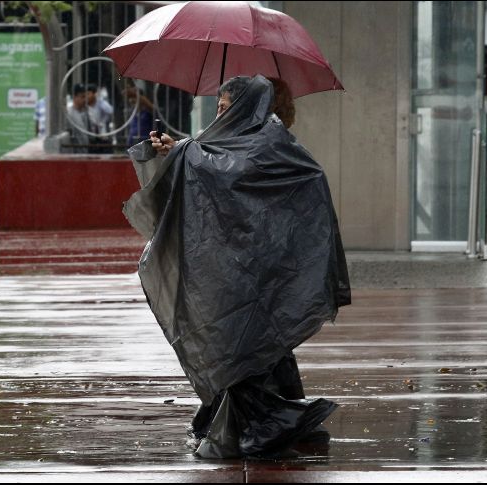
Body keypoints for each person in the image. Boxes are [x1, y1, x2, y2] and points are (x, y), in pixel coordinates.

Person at [130, 75, 350, 459]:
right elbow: (214, 165)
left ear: (248, 109)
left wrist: (183, 151)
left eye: (226, 109)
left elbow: (230, 171)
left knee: (243, 344)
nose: (220, 115)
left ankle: (275, 419)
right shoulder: (238, 141)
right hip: (236, 266)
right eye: (218, 108)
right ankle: (287, 415)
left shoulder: (269, 140)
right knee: (256, 343)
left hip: (260, 268)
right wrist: (177, 150)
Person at [86, 84, 114, 153]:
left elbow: (110, 111)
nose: (87, 97)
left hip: (103, 136)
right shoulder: (85, 106)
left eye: (88, 94)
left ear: (94, 94)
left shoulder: (100, 103)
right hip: (91, 138)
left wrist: (103, 122)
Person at [66, 83, 93, 153]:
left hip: (86, 152)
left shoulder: (86, 112)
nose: (85, 100)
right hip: (75, 154)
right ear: (75, 97)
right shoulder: (69, 114)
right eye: (82, 97)